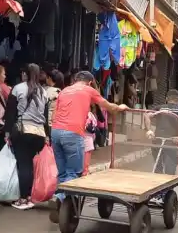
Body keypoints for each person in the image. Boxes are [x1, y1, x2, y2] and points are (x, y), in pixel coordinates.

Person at [49, 71, 128, 223]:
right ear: (90, 82)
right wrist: (120, 107)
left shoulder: (64, 90)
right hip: (73, 133)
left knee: (63, 171)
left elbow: (54, 115)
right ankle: (59, 197)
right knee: (74, 172)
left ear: (75, 79)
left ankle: (61, 201)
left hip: (56, 132)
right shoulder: (89, 90)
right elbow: (108, 106)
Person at [8, 63, 48, 211]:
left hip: (23, 131)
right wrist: (47, 136)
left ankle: (24, 198)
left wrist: (7, 132)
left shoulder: (18, 88)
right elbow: (46, 115)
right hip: (39, 134)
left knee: (23, 164)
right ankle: (30, 196)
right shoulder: (43, 92)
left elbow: (10, 113)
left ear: (25, 74)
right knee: (29, 165)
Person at [147, 89, 178, 176]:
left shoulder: (160, 108)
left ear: (166, 99)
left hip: (157, 140)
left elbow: (147, 115)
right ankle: (167, 187)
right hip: (173, 142)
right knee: (170, 169)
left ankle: (158, 185)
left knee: (157, 166)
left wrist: (149, 130)